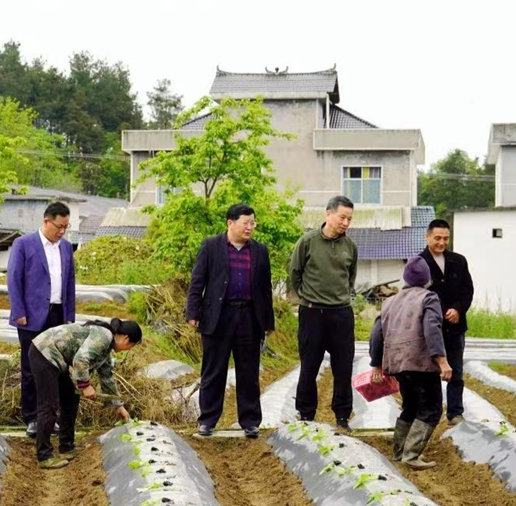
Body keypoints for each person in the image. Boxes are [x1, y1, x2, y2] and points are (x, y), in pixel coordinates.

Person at [186, 203, 275, 438]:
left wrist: (268, 321)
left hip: (249, 316)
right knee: (214, 371)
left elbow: (266, 289)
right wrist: (192, 313)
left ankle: (250, 421)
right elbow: (198, 281)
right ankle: (207, 420)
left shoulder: (259, 251)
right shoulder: (211, 246)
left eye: (252, 223)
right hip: (219, 316)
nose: (250, 227)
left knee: (248, 372)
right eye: (246, 222)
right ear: (230, 223)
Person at [369, 256, 453, 469]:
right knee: (431, 409)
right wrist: (442, 361)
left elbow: (377, 333)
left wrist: (377, 362)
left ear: (405, 279)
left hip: (396, 362)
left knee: (410, 405)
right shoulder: (428, 298)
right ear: (426, 279)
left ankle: (398, 451)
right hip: (420, 362)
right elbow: (432, 328)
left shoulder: (389, 301)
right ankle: (412, 454)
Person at [29, 319, 140, 469]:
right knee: (49, 405)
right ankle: (44, 456)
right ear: (126, 338)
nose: (128, 349)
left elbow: (107, 377)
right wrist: (85, 385)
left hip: (56, 358)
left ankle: (66, 447)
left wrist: (118, 406)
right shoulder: (104, 336)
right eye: (131, 346)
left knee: (71, 398)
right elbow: (80, 360)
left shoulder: (106, 349)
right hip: (44, 353)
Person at [289, 195, 358, 433]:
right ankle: (306, 415)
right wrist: (309, 298)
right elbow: (295, 275)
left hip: (341, 314)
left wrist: (339, 299)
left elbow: (350, 278)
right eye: (342, 217)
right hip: (312, 314)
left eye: (349, 219)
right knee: (309, 366)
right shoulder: (307, 242)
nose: (346, 223)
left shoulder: (350, 246)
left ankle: (342, 417)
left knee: (343, 368)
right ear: (328, 214)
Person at [7, 202, 75, 437]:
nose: (62, 231)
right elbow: (14, 279)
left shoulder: (66, 248)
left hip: (57, 315)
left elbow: (69, 284)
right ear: (46, 222)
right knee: (30, 368)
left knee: (55, 368)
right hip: (31, 316)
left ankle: (49, 417)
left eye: (66, 227)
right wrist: (18, 312)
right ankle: (32, 418)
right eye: (59, 226)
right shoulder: (24, 244)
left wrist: (69, 317)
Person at [418, 219, 473, 426]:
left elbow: (468, 290)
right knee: (429, 372)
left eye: (446, 238)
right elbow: (418, 294)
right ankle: (429, 413)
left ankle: (455, 412)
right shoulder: (419, 262)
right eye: (437, 238)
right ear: (428, 236)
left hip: (455, 327)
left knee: (456, 370)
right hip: (430, 328)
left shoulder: (458, 261)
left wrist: (458, 309)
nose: (442, 242)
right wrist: (440, 313)